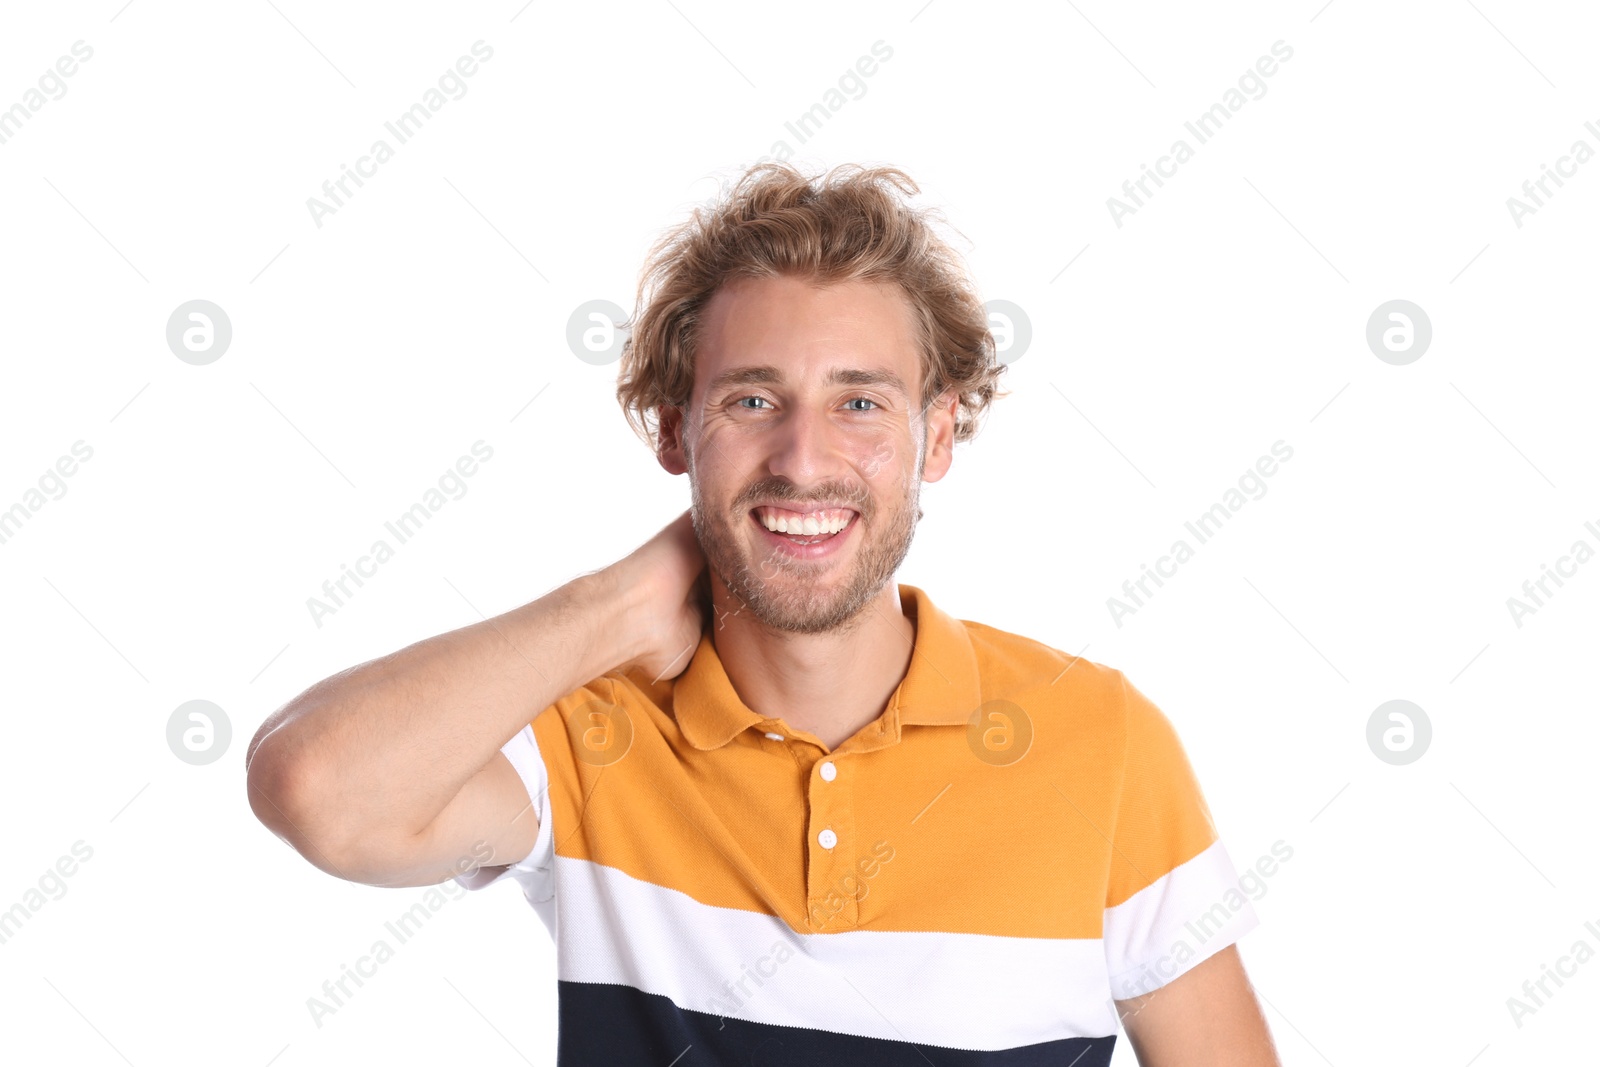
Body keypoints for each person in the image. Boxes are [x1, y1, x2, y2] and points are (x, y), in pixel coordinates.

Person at [246, 162, 1281, 1065]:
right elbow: (317, 787)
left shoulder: (1100, 742)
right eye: (750, 399)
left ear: (939, 437)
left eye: (860, 402)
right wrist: (616, 603)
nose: (801, 456)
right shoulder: (587, 733)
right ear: (673, 430)